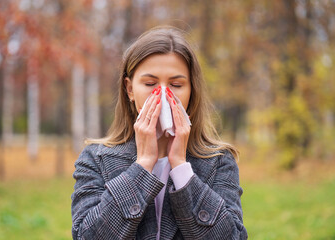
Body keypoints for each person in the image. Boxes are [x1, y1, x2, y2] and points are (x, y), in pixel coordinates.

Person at [71, 26, 248, 240]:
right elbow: (86, 236)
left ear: (192, 91)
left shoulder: (219, 162)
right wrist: (143, 165)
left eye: (176, 84)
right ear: (130, 90)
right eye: (150, 83)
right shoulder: (95, 159)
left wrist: (182, 169)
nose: (163, 95)